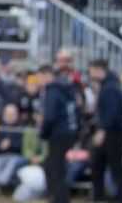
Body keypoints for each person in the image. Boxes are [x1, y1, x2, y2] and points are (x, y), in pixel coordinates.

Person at [87, 59, 122, 203]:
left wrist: (102, 130)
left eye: (91, 70)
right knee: (98, 166)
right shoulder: (109, 85)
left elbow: (111, 111)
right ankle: (99, 197)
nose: (90, 73)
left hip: (111, 134)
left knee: (114, 169)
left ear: (99, 69)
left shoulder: (110, 87)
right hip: (111, 133)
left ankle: (121, 198)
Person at [38, 64, 80, 203]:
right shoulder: (69, 90)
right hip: (69, 132)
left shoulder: (52, 91)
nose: (39, 81)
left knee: (53, 168)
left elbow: (49, 117)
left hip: (58, 134)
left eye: (40, 77)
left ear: (47, 75)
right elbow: (76, 111)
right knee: (57, 167)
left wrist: (43, 133)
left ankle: (59, 198)